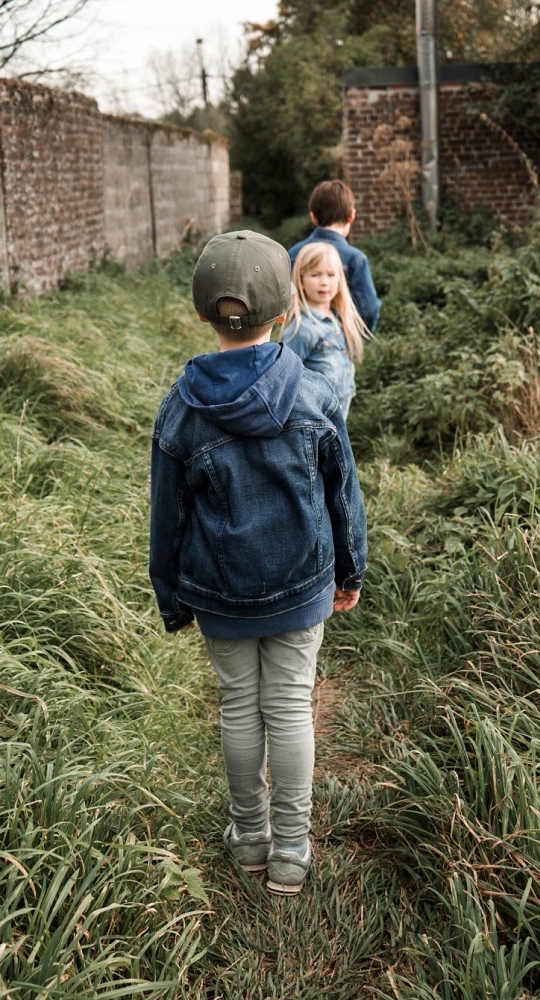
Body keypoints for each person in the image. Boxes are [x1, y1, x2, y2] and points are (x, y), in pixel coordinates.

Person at [149, 230, 367, 896]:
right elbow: (343, 492)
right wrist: (349, 572)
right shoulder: (313, 396)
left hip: (219, 590)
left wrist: (173, 598)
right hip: (303, 583)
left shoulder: (181, 410)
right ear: (284, 310)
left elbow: (167, 517)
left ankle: (249, 839)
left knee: (240, 707)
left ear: (203, 311)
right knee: (292, 708)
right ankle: (292, 853)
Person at [282, 241, 371, 420]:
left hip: (339, 415)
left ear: (340, 279)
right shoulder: (301, 329)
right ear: (301, 280)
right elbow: (285, 381)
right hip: (315, 420)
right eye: (315, 275)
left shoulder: (338, 318)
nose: (324, 282)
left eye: (331, 275)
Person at [289, 180, 380, 333]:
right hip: (341, 342)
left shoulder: (292, 254)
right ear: (352, 216)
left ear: (313, 217)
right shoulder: (356, 259)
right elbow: (369, 309)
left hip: (297, 338)